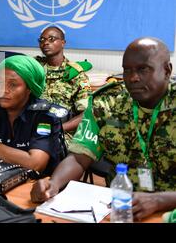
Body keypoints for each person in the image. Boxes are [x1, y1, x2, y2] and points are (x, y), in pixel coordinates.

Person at [30, 37, 176, 221]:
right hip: (118, 210)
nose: (132, 78)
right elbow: (79, 157)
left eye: (143, 69)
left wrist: (159, 200)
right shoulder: (106, 103)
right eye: (127, 70)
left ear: (166, 71)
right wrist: (53, 183)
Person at [0, 55, 67, 175]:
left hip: (38, 186)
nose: (4, 90)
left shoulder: (44, 115)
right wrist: (12, 164)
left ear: (29, 89)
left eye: (13, 85)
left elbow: (35, 164)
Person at [35, 26, 92, 141]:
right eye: (42, 40)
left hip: (61, 132)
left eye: (51, 39)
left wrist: (59, 128)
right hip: (32, 126)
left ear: (63, 43)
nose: (45, 43)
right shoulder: (34, 68)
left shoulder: (75, 74)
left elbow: (87, 113)